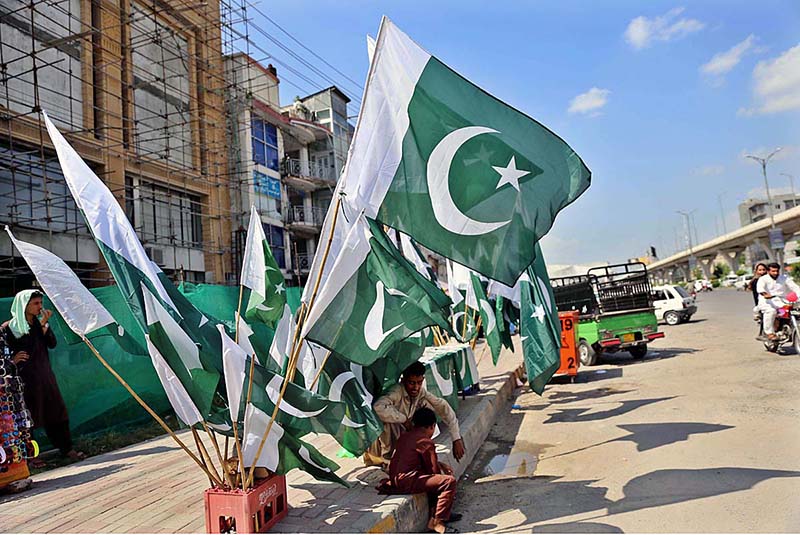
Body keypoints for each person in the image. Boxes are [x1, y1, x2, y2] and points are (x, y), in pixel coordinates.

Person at [1, 290, 84, 465]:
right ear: (24, 305)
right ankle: (32, 457)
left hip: (45, 376)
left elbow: (52, 344)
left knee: (57, 413)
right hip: (24, 381)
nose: (40, 307)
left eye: (40, 303)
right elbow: (23, 347)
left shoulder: (39, 324)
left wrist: (44, 327)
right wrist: (12, 360)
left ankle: (67, 449)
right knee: (27, 419)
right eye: (36, 304)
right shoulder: (8, 328)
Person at [376, 407, 461, 534]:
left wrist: (440, 464)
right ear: (432, 426)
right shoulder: (426, 441)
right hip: (407, 481)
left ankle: (442, 515)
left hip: (396, 479)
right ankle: (436, 523)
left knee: (435, 480)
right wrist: (441, 471)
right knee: (448, 482)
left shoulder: (405, 436)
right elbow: (433, 471)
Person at [365, 361, 465, 468]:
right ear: (403, 381)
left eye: (419, 382)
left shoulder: (421, 392)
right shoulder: (396, 392)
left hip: (401, 441)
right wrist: (404, 420)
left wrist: (456, 438)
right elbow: (377, 408)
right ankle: (387, 461)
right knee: (390, 421)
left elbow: (443, 407)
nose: (416, 387)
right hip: (380, 445)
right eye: (411, 383)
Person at [756, 263, 800, 340]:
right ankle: (769, 333)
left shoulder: (784, 278)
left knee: (790, 311)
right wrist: (765, 294)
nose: (775, 273)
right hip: (767, 302)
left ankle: (785, 328)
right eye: (773, 271)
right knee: (771, 311)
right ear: (768, 271)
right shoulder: (763, 279)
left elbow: (795, 287)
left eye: (777, 271)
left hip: (781, 302)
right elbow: (760, 288)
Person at [749, 263, 768, 340]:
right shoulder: (755, 281)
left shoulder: (769, 279)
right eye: (760, 270)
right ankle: (761, 333)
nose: (762, 271)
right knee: (766, 316)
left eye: (764, 269)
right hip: (761, 302)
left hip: (773, 300)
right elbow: (757, 295)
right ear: (756, 271)